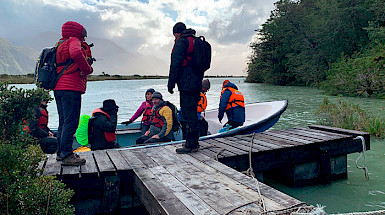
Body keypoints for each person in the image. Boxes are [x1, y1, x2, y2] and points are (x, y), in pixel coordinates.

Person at [54, 21, 93, 165]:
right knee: (71, 122)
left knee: (63, 121)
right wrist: (87, 68)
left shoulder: (60, 43)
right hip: (70, 87)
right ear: (78, 32)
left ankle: (60, 153)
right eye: (83, 34)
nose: (84, 38)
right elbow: (76, 53)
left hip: (59, 87)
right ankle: (67, 154)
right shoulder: (73, 41)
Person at [168, 22, 203, 154]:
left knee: (187, 114)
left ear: (177, 33)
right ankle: (194, 142)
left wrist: (171, 83)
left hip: (186, 83)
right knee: (193, 112)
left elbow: (175, 64)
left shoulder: (181, 42)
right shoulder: (196, 41)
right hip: (197, 82)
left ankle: (190, 145)